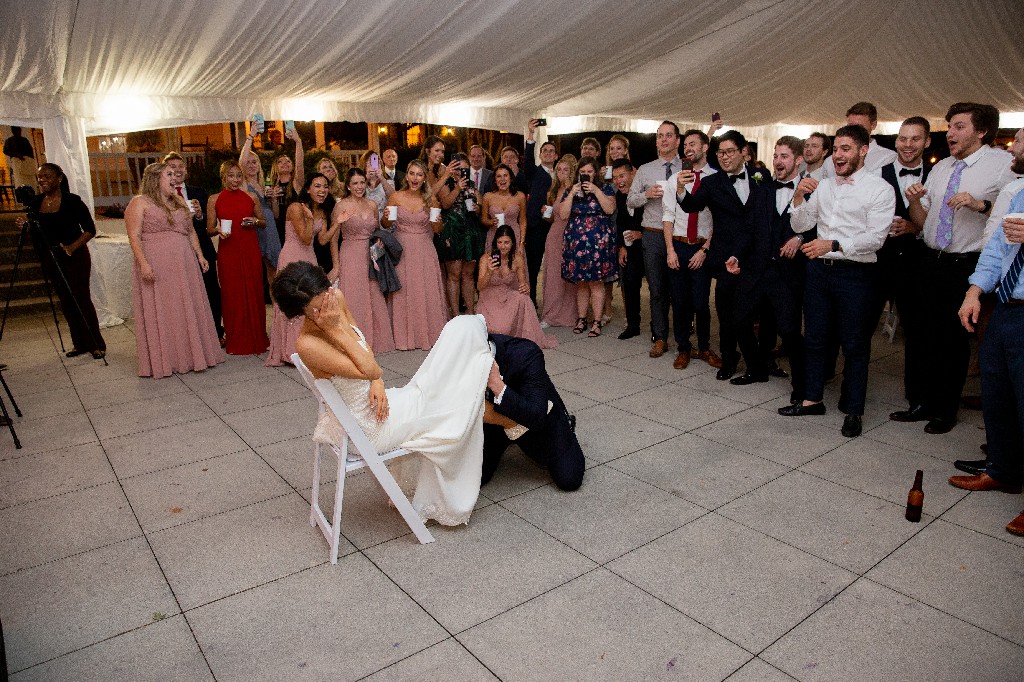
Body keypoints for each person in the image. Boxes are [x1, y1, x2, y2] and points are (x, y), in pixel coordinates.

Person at [273, 261, 498, 526]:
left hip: (376, 402)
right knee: (447, 401)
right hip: (368, 428)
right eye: (317, 307)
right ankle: (499, 396)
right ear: (300, 312)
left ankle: (489, 377)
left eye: (327, 294)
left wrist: (377, 382)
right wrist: (336, 328)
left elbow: (365, 350)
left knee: (450, 351)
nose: (327, 305)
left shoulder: (336, 298)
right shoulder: (308, 344)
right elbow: (369, 367)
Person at [903, 102, 1016, 434]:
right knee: (922, 333)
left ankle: (945, 409)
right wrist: (914, 201)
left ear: (981, 131)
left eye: (959, 126)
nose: (950, 133)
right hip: (931, 259)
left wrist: (980, 204)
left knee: (951, 340)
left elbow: (1012, 210)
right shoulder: (941, 167)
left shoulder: (1001, 165)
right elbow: (922, 222)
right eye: (950, 126)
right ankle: (921, 401)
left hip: (965, 264)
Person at [778, 124, 895, 438]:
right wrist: (799, 197)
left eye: (846, 149)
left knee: (854, 344)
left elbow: (876, 239)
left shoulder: (880, 189)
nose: (839, 155)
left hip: (856, 274)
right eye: (837, 149)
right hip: (818, 272)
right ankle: (812, 399)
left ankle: (853, 410)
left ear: (863, 151)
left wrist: (834, 244)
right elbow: (801, 224)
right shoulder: (825, 186)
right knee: (815, 338)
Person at [949, 179, 1024, 536]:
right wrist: (974, 291)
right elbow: (998, 247)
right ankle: (1003, 471)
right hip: (1007, 306)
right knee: (997, 392)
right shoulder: (1022, 193)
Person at [722, 136, 807, 400]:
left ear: (798, 160)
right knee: (739, 319)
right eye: (776, 156)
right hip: (756, 269)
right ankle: (756, 369)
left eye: (784, 156)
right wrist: (736, 255)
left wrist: (800, 238)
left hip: (787, 273)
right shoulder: (762, 190)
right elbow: (748, 228)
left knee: (790, 331)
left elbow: (819, 227)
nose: (778, 162)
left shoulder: (811, 190)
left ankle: (801, 388)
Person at [677, 129, 764, 379]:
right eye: (721, 153)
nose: (724, 157)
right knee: (726, 313)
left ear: (744, 152)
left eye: (730, 152)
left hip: (755, 256)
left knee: (753, 313)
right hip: (725, 257)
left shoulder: (761, 176)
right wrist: (681, 189)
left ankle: (759, 362)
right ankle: (729, 359)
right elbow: (691, 205)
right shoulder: (712, 182)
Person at [125, 163, 223, 377]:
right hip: (158, 264)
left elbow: (191, 232)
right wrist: (143, 264)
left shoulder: (178, 201)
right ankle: (167, 359)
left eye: (174, 174)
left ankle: (192, 355)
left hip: (184, 264)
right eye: (168, 174)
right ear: (154, 179)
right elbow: (134, 236)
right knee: (166, 309)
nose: (174, 177)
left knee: (185, 306)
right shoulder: (139, 202)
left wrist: (199, 255)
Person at [15, 163, 106, 359]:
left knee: (81, 298)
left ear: (59, 178)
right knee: (65, 300)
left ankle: (96, 344)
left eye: (47, 176)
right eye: (39, 177)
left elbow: (90, 229)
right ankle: (79, 344)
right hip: (51, 257)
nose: (42, 180)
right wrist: (27, 226)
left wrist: (72, 247)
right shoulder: (36, 203)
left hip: (75, 255)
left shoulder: (73, 201)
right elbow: (40, 233)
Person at [482, 332, 585, 492]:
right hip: (491, 421)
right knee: (477, 477)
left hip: (534, 413)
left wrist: (496, 383)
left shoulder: (524, 352)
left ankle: (566, 423)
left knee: (569, 477)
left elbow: (536, 417)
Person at [662, 129, 720, 370]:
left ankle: (705, 347)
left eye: (693, 144)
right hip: (678, 245)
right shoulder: (673, 180)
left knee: (700, 303)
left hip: (701, 248)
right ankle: (683, 348)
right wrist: (670, 250)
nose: (688, 148)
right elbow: (668, 216)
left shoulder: (716, 178)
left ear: (705, 147)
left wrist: (705, 249)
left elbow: (718, 220)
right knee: (679, 302)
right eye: (685, 145)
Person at [323, 168, 395, 353]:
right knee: (354, 296)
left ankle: (376, 340)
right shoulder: (341, 206)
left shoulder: (372, 205)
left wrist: (379, 241)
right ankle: (353, 342)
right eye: (355, 183)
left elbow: (377, 230)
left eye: (362, 182)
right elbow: (333, 239)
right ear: (348, 186)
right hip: (350, 254)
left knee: (374, 294)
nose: (359, 186)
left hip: (370, 256)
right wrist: (336, 266)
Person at [627, 121, 682, 358]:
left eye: (669, 136)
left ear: (677, 140)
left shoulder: (687, 167)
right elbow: (630, 200)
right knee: (657, 289)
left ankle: (683, 338)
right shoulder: (645, 169)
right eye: (660, 136)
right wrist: (646, 195)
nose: (664, 140)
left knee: (680, 290)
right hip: (653, 234)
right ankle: (660, 337)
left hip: (680, 235)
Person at [382, 159, 449, 350]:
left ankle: (426, 334)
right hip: (402, 249)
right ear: (407, 176)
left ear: (424, 178)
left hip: (424, 249)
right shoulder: (396, 197)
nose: (415, 178)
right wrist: (385, 217)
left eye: (419, 175)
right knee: (403, 290)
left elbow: (437, 230)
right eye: (412, 173)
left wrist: (438, 221)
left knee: (424, 289)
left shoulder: (431, 200)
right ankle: (403, 336)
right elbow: (386, 224)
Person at [265, 173, 331, 366]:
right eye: (317, 186)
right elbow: (305, 238)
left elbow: (322, 240)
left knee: (311, 303)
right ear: (308, 189)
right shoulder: (296, 207)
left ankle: (309, 349)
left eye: (325, 186)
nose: (322, 190)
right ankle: (291, 351)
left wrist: (338, 223)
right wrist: (310, 219)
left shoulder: (321, 211)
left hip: (310, 258)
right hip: (292, 258)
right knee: (294, 302)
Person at [208, 160, 270, 356]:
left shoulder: (251, 197)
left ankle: (256, 336)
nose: (235, 180)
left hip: (250, 249)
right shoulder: (214, 199)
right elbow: (209, 229)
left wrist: (255, 221)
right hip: (228, 251)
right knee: (231, 293)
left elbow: (264, 222)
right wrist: (218, 230)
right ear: (223, 177)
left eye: (238, 176)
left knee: (254, 291)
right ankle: (235, 338)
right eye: (231, 176)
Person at [164, 152, 223, 341]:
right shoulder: (162, 195)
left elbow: (207, 223)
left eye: (180, 166)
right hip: (176, 250)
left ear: (186, 170)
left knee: (211, 290)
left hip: (202, 247)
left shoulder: (198, 192)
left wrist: (199, 215)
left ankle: (216, 332)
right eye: (172, 167)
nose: (177, 170)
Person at [558, 156, 618, 337]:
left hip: (598, 243)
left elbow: (610, 209)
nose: (586, 175)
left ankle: (597, 321)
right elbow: (563, 214)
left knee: (597, 282)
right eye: (582, 172)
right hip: (576, 242)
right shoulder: (571, 190)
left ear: (596, 173)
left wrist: (595, 190)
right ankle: (582, 318)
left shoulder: (605, 188)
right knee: (581, 283)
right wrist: (571, 194)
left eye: (589, 172)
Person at [478, 226, 557, 348]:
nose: (503, 246)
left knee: (524, 298)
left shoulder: (517, 258)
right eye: (500, 242)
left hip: (507, 295)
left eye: (506, 242)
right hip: (489, 298)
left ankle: (527, 336)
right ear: (495, 243)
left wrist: (525, 287)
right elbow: (480, 287)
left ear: (512, 243)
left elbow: (523, 284)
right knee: (499, 331)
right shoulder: (486, 258)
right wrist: (489, 272)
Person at [435, 152, 485, 316]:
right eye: (458, 169)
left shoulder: (472, 185)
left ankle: (470, 312)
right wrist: (458, 188)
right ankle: (455, 314)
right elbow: (445, 203)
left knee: (468, 275)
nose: (461, 172)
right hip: (453, 233)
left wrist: (478, 208)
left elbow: (480, 204)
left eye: (464, 169)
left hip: (470, 233)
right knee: (454, 275)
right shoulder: (446, 184)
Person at [239, 130, 284, 283]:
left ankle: (275, 299)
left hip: (271, 230)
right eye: (248, 162)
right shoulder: (244, 185)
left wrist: (273, 199)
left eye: (254, 162)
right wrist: (251, 136)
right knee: (257, 273)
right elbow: (241, 163)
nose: (251, 165)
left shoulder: (265, 185)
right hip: (256, 230)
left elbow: (276, 214)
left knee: (275, 273)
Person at [541, 154, 580, 328]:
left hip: (573, 234)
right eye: (559, 170)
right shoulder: (552, 191)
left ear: (572, 172)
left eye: (566, 169)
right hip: (555, 234)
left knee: (571, 275)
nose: (562, 172)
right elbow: (551, 218)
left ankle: (571, 315)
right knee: (553, 276)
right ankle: (550, 315)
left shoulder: (577, 190)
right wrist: (545, 214)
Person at [523, 120, 558, 302]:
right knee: (533, 266)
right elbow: (528, 159)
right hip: (536, 226)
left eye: (551, 151)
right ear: (540, 154)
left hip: (555, 226)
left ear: (556, 155)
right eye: (545, 151)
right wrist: (531, 134)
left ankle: (554, 302)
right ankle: (531, 302)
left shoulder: (560, 175)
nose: (548, 153)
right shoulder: (534, 172)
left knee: (554, 267)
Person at [820, 102, 897, 178]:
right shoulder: (829, 161)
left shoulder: (888, 157)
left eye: (859, 127)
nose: (854, 131)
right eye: (850, 127)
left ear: (873, 125)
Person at [613, 158, 644, 339]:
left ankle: (659, 330)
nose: (619, 181)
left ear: (633, 173)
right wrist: (622, 247)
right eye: (615, 177)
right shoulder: (619, 195)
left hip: (649, 245)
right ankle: (633, 325)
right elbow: (621, 222)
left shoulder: (645, 191)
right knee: (630, 284)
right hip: (630, 248)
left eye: (622, 176)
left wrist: (641, 234)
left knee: (658, 289)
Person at [267, 127, 305, 246]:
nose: (284, 163)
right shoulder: (273, 187)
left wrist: (298, 141)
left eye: (288, 161)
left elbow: (300, 165)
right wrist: (273, 199)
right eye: (280, 161)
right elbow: (276, 215)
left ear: (292, 166)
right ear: (275, 167)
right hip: (280, 229)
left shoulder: (296, 182)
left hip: (297, 228)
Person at [481, 164, 527, 256]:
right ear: (495, 180)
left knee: (515, 263)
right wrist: (491, 222)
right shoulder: (487, 197)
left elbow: (523, 221)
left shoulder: (520, 196)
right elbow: (483, 219)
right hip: (494, 235)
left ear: (511, 178)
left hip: (514, 236)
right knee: (493, 263)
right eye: (499, 176)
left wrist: (522, 243)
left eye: (505, 175)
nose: (502, 179)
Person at [361, 149, 394, 219]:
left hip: (385, 221)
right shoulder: (361, 182)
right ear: (364, 166)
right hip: (367, 221)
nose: (373, 166)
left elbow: (393, 197)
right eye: (369, 163)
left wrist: (381, 177)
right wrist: (366, 179)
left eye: (375, 162)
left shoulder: (388, 181)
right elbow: (357, 198)